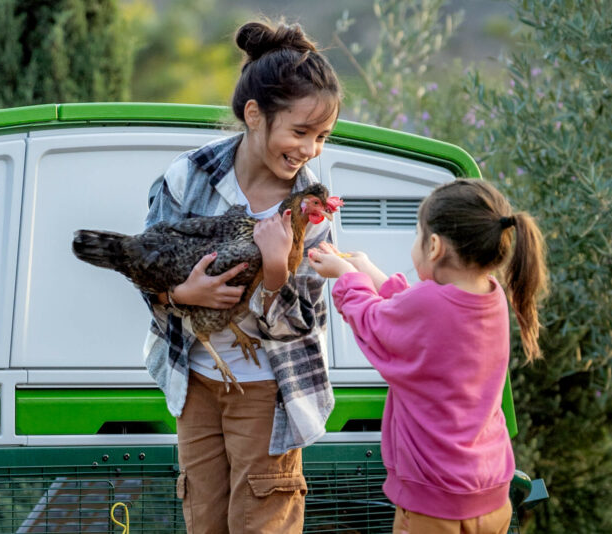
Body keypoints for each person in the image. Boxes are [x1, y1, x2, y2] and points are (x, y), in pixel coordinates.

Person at [139, 20, 342, 534]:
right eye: (300, 132)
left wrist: (276, 274)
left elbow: (308, 322)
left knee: (261, 523)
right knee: (203, 518)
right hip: (196, 379)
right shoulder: (187, 178)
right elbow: (144, 261)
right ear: (255, 115)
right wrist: (180, 292)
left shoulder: (311, 204)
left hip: (268, 389)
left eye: (322, 137)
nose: (310, 150)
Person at [307, 179, 548, 534]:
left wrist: (346, 277)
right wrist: (369, 272)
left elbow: (376, 324)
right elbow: (416, 313)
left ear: (433, 245)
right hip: (492, 495)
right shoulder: (490, 296)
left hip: (436, 507)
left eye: (417, 235)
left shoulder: (430, 306)